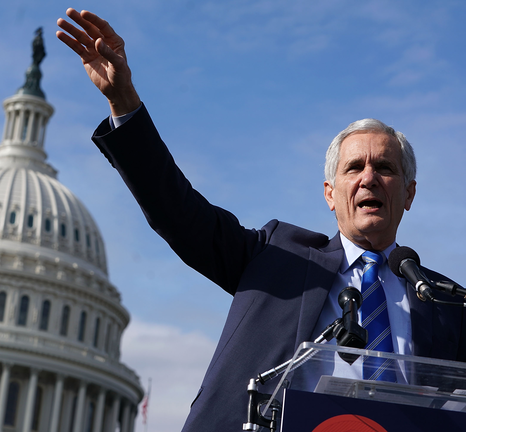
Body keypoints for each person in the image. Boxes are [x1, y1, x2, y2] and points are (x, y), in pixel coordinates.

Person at [57, 8, 464, 432]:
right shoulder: (274, 255)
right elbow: (175, 210)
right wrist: (124, 102)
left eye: (385, 167)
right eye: (353, 167)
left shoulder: (446, 304)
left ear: (409, 193)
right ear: (330, 194)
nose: (368, 178)